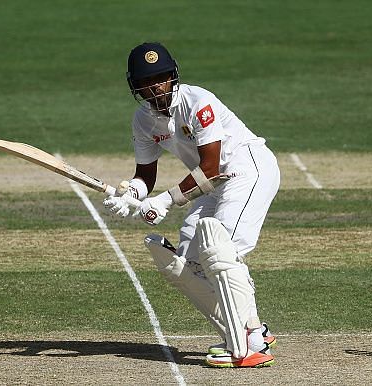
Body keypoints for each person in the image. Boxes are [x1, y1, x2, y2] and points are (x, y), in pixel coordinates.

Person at [103, 42, 280, 368]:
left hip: (246, 170)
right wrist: (132, 194)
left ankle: (250, 346)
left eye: (161, 77)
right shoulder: (143, 121)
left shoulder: (198, 102)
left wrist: (165, 201)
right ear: (136, 87)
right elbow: (145, 175)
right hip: (215, 186)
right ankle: (254, 331)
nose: (155, 85)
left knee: (221, 250)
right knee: (189, 260)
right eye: (147, 80)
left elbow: (211, 167)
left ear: (172, 76)